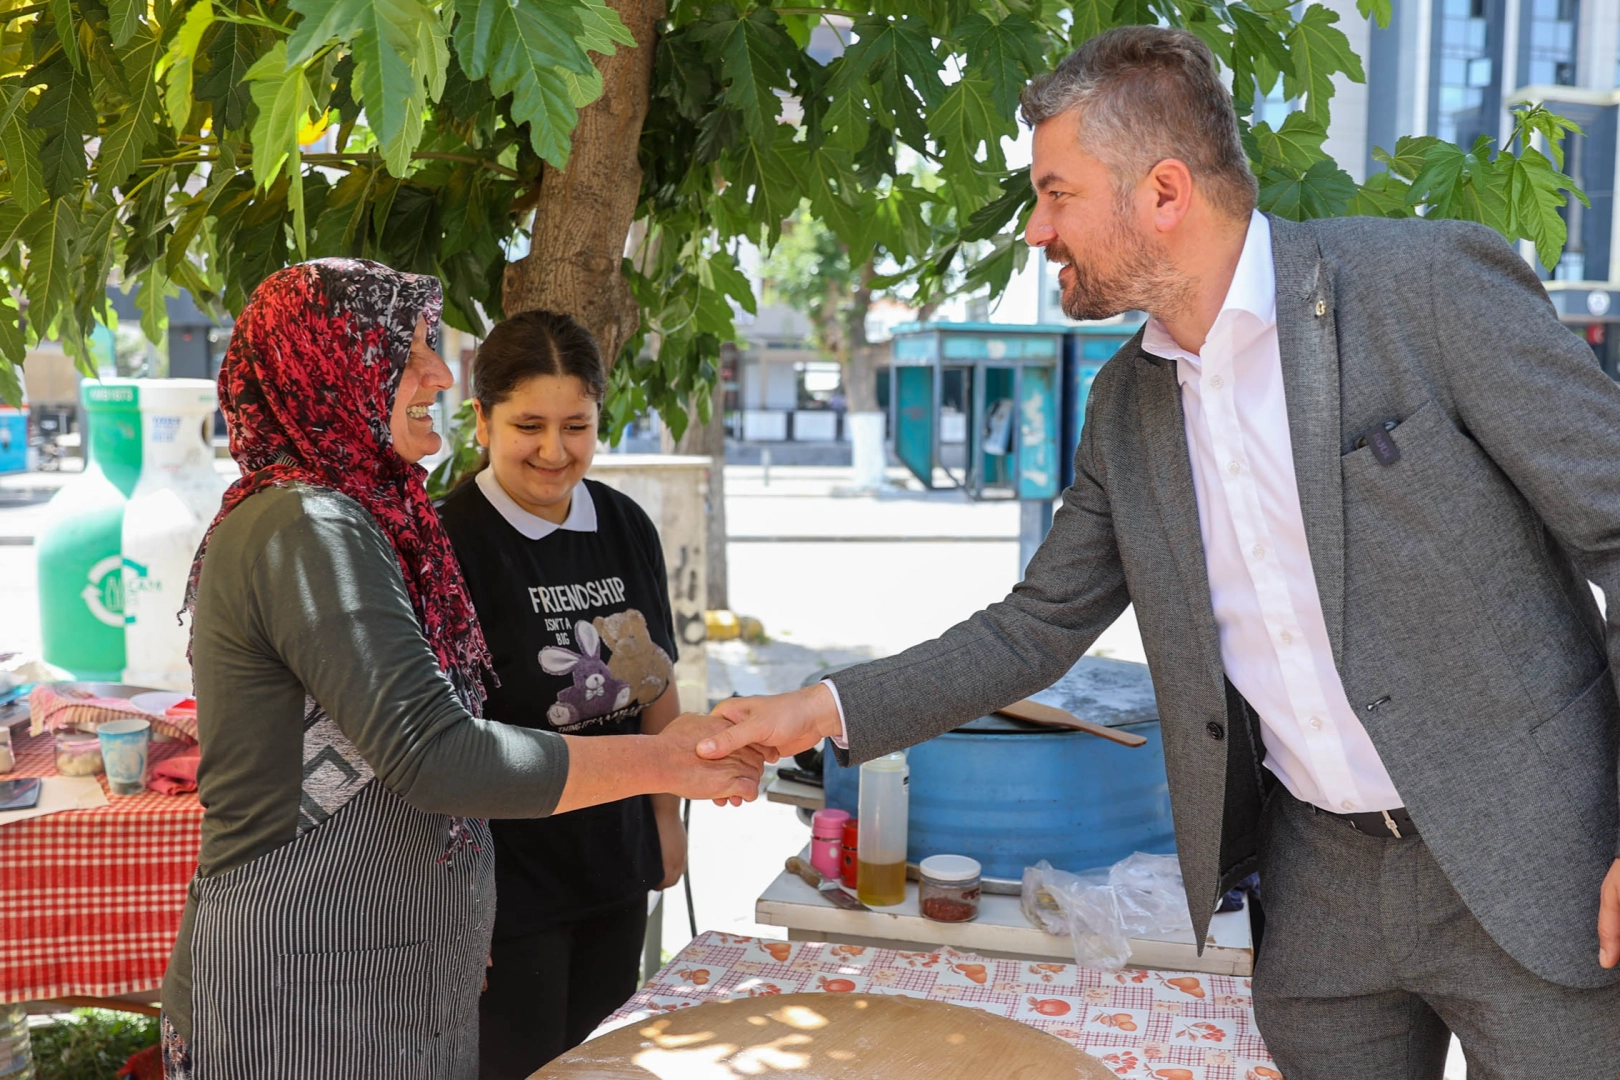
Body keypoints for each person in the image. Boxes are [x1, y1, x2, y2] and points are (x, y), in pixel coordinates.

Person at [696, 26, 1620, 1080]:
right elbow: (1032, 628)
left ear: (1165, 192)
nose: (1037, 232)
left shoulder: (1427, 290)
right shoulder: (1126, 405)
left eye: (1057, 193)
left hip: (1538, 865)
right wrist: (809, 715)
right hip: (1325, 897)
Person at [160, 259, 762, 1080]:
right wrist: (670, 762)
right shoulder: (307, 526)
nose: (440, 373)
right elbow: (435, 753)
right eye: (407, 353)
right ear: (330, 369)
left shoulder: (367, 519)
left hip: (380, 963)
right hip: (307, 978)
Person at [435, 311, 687, 1075]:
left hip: (617, 865)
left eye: (576, 425)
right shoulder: (448, 541)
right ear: (481, 420)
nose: (554, 450)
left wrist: (666, 821)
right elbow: (435, 744)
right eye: (529, 425)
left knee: (603, 1063)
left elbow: (657, 685)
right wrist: (454, 909)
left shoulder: (624, 522)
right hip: (507, 888)